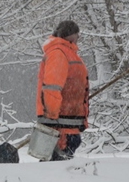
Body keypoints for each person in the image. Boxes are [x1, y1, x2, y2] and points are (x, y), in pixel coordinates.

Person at [35, 20, 89, 161]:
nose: (79, 39)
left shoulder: (68, 52)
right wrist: (51, 120)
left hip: (68, 121)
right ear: (72, 35)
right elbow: (52, 88)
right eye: (78, 35)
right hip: (60, 125)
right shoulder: (58, 53)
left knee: (63, 161)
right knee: (57, 164)